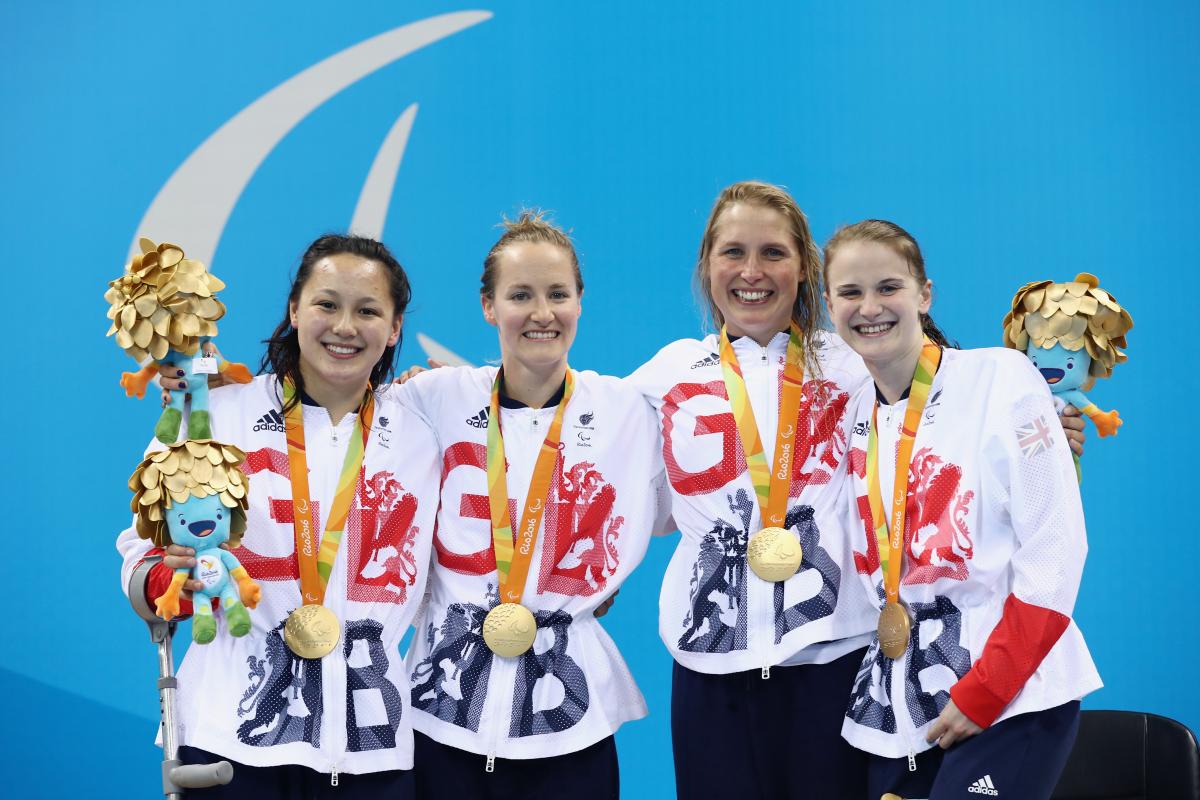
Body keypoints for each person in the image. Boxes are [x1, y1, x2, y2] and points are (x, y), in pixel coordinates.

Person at [626, 182, 1089, 800]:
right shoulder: (663, 376)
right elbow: (581, 461)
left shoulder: (851, 360)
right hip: (716, 668)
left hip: (839, 662)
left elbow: (948, 411)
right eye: (732, 252)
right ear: (706, 264)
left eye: (774, 252)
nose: (752, 271)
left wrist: (1047, 428)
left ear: (805, 270)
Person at [117, 234, 441, 797]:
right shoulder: (216, 413)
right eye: (326, 304)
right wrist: (171, 579)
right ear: (295, 310)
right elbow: (140, 554)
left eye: (368, 310)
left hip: (372, 742)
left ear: (394, 328)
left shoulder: (424, 429)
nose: (345, 326)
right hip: (230, 737)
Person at [393, 212, 669, 799]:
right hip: (442, 712)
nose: (542, 313)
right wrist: (200, 390)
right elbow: (326, 422)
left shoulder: (629, 409)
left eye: (557, 294)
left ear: (580, 301)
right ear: (488, 305)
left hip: (572, 716)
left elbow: (702, 501)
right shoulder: (430, 398)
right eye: (520, 295)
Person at [824, 220, 1101, 800]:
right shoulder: (853, 414)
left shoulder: (1000, 378)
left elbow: (1056, 547)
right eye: (850, 292)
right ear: (829, 304)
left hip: (1010, 691)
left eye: (888, 287)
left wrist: (989, 688)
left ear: (925, 294)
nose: (869, 307)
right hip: (898, 699)